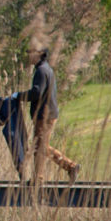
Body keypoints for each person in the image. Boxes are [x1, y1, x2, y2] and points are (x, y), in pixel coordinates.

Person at [22, 46, 80, 184]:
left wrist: (18, 96)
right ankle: (70, 167)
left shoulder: (41, 71)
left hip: (45, 115)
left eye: (30, 52)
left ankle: (40, 178)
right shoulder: (46, 68)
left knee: (39, 146)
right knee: (41, 146)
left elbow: (36, 93)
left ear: (40, 54)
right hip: (49, 113)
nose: (28, 55)